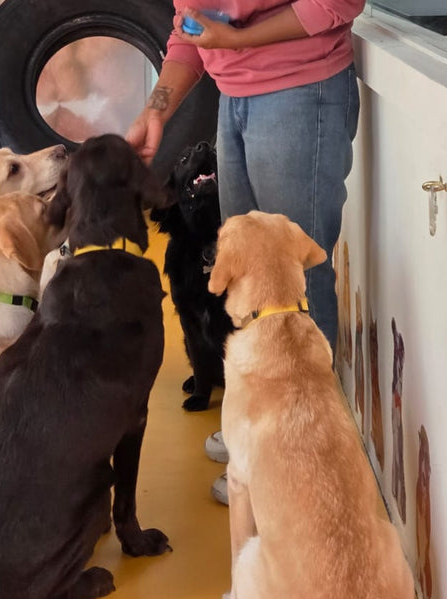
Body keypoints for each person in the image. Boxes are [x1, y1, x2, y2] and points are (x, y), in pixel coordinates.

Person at [127, 0, 364, 505]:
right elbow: (190, 30)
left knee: (294, 282)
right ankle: (263, 433)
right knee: (250, 281)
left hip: (299, 92)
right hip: (233, 96)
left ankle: (301, 465)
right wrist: (156, 109)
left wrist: (234, 40)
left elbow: (337, 4)